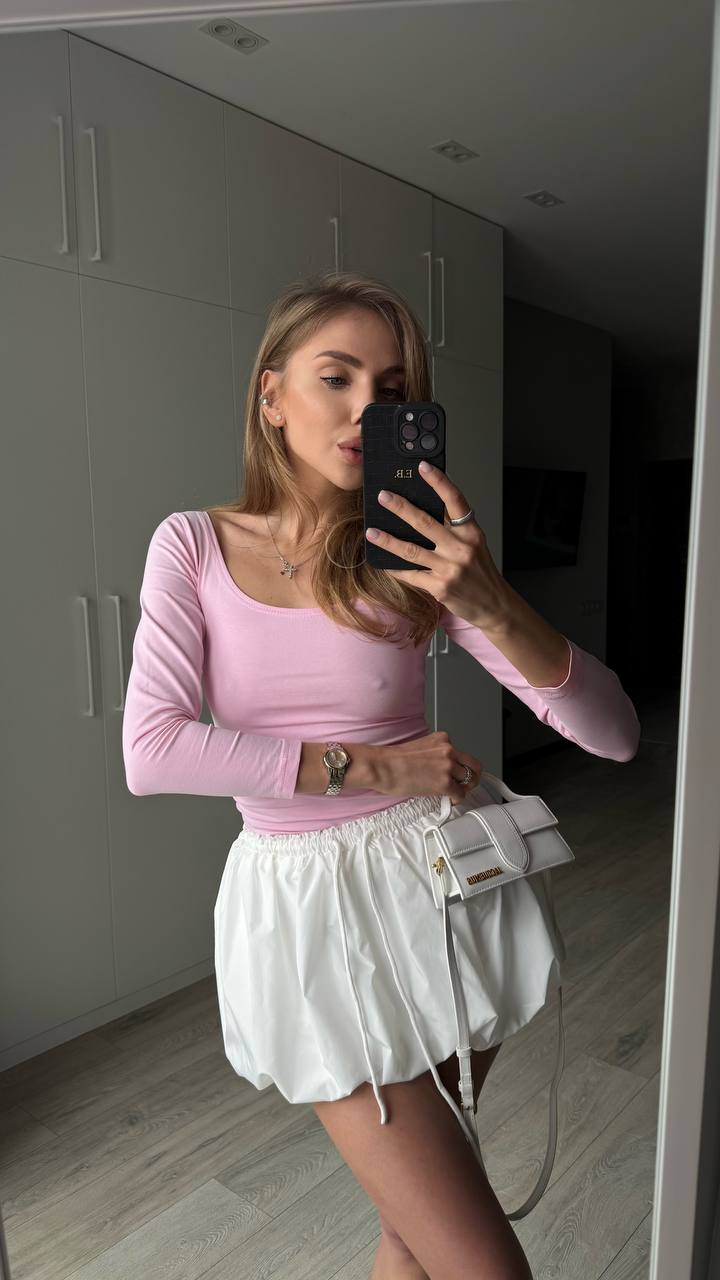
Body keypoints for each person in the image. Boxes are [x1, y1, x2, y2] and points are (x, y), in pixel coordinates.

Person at [122, 270, 641, 1279]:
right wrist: (375, 763)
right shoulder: (194, 546)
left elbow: (615, 733)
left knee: (416, 1228)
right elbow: (154, 747)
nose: (368, 408)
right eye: (337, 377)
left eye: (392, 391)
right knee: (477, 1256)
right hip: (312, 916)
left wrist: (489, 599)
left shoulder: (415, 557)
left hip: (444, 892)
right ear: (272, 395)